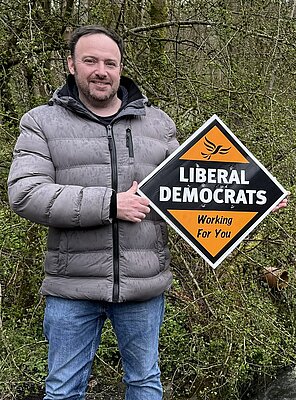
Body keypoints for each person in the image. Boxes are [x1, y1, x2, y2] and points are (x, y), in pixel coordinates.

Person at [7, 25, 178, 399]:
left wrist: (252, 203)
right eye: (91, 61)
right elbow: (26, 193)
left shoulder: (158, 123)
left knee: (145, 383)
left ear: (120, 69)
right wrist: (110, 204)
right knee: (64, 390)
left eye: (110, 62)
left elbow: (187, 191)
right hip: (72, 288)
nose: (101, 70)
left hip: (143, 285)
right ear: (71, 65)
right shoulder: (41, 122)